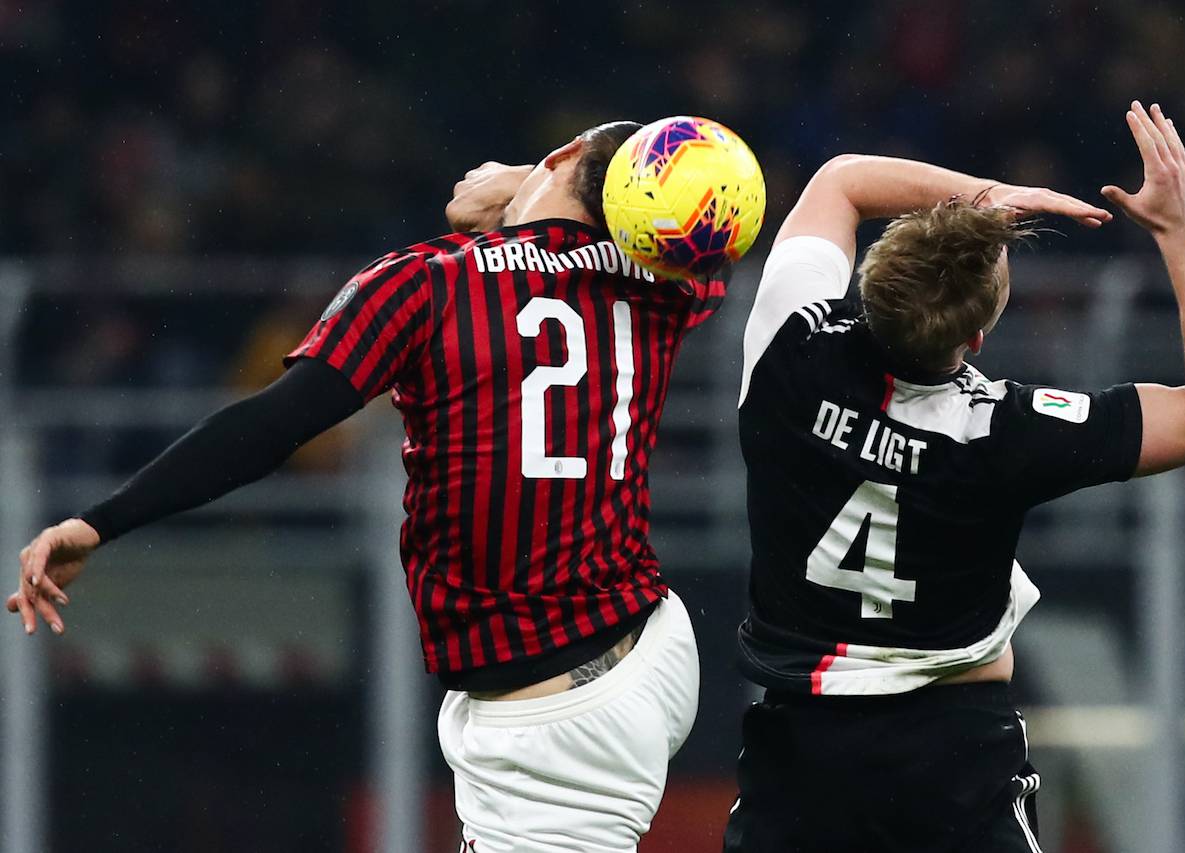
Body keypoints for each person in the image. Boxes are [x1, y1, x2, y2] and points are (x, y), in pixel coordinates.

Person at [10, 121, 723, 852]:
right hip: (647, 640)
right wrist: (532, 189)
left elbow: (271, 425)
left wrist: (101, 521)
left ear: (563, 156)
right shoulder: (658, 280)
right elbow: (707, 228)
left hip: (552, 713)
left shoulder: (428, 279)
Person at [721, 101, 1185, 852]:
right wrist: (1178, 230)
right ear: (977, 337)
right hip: (954, 760)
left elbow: (842, 181)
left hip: (798, 754)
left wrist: (987, 192)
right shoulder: (1007, 432)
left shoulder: (787, 345)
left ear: (869, 281)